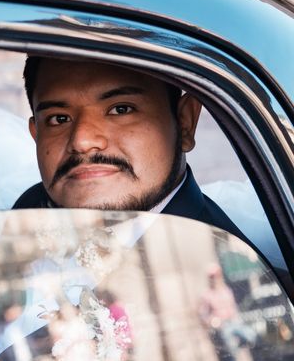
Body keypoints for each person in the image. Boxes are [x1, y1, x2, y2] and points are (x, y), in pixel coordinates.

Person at [13, 56, 247, 240]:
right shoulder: (30, 209)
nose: (82, 141)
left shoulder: (232, 276)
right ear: (36, 134)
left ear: (184, 122)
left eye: (121, 109)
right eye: (59, 119)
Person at [199, 264, 256, 361]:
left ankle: (237, 347)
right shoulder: (207, 295)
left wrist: (237, 317)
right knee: (233, 357)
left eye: (217, 275)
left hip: (235, 323)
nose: (215, 278)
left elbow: (233, 307)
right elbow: (203, 316)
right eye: (212, 276)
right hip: (224, 327)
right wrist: (213, 321)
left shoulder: (226, 290)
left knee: (252, 336)